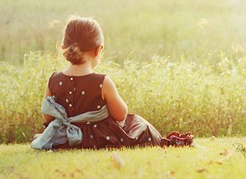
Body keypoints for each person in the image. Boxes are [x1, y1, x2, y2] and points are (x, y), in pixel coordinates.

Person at [31, 16, 192, 150]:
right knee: (137, 123)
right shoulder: (102, 82)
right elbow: (121, 114)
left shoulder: (53, 79)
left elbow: (47, 116)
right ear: (98, 49)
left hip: (63, 138)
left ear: (63, 47)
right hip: (98, 139)